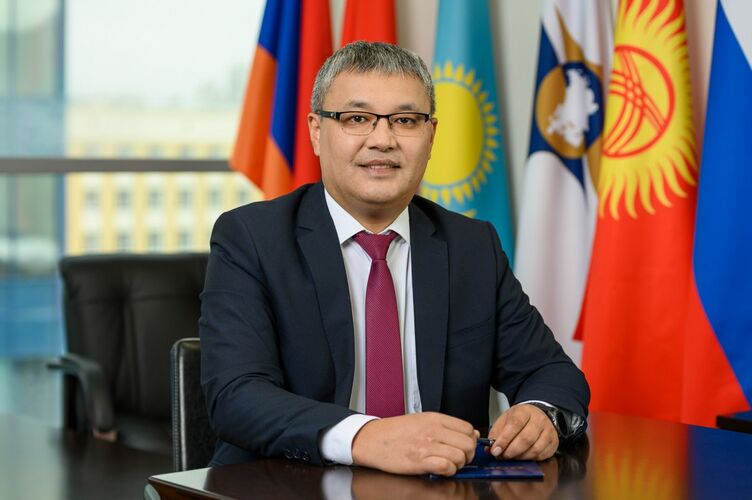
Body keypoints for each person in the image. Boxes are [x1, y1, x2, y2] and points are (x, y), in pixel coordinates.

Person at [200, 41, 589, 477]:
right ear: (316, 131)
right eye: (356, 119)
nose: (382, 140)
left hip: (440, 486)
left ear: (431, 135)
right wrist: (364, 436)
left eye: (405, 121)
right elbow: (236, 395)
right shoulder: (251, 238)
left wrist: (540, 413)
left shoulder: (472, 246)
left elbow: (552, 373)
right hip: (288, 485)